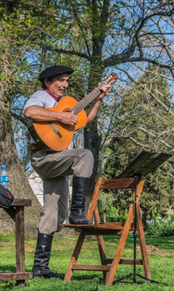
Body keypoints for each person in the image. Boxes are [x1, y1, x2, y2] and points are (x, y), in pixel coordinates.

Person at [24, 65, 111, 279]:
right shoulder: (41, 97)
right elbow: (30, 112)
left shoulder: (69, 103)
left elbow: (86, 120)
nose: (64, 85)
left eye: (66, 81)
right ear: (47, 82)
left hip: (58, 160)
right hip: (43, 156)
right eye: (60, 80)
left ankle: (40, 267)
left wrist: (98, 98)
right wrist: (60, 118)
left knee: (53, 213)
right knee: (85, 155)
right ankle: (78, 211)